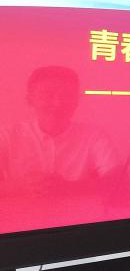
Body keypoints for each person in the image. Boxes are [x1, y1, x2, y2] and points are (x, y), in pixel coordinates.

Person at [0, 66, 121, 205]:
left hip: (80, 217)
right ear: (29, 99)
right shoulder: (8, 135)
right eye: (48, 95)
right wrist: (19, 187)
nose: (57, 103)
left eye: (67, 95)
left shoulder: (94, 136)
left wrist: (69, 188)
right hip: (20, 216)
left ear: (77, 101)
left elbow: (119, 181)